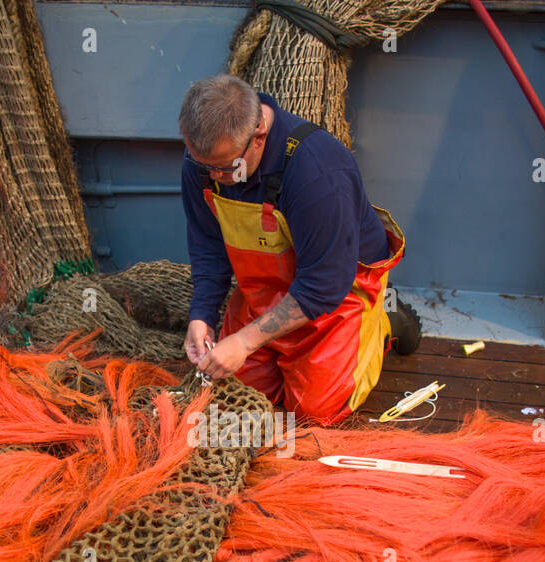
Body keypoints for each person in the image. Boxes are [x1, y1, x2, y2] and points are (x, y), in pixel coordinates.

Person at [179, 74, 420, 426]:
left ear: (258, 134)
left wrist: (245, 342)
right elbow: (208, 246)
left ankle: (383, 320)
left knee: (313, 412)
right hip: (263, 287)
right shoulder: (203, 161)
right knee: (230, 397)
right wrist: (201, 315)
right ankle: (280, 358)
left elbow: (322, 287)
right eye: (204, 166)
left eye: (225, 167)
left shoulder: (319, 171)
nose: (213, 177)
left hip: (336, 292)